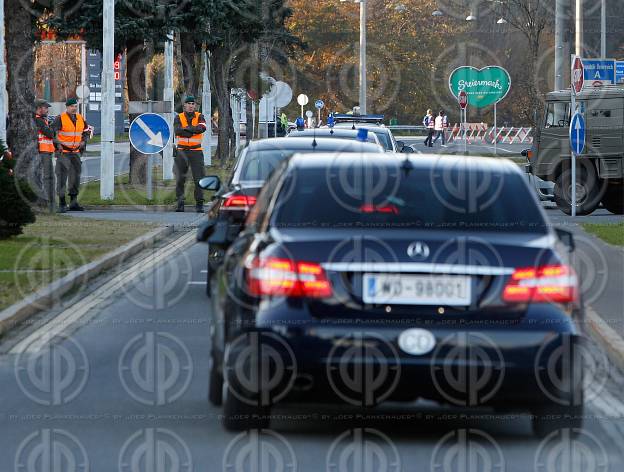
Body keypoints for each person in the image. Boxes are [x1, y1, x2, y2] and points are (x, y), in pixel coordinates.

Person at [53, 97, 90, 212]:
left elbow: (87, 131)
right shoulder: (60, 118)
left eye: (75, 106)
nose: (74, 108)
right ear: (67, 107)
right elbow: (53, 134)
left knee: (75, 178)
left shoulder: (80, 118)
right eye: (72, 106)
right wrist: (57, 146)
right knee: (62, 178)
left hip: (76, 153)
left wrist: (84, 141)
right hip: (63, 152)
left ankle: (73, 203)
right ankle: (62, 204)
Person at [174, 95, 207, 213]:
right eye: (189, 104)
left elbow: (202, 128)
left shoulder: (200, 116)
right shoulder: (179, 117)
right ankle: (180, 203)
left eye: (193, 104)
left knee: (199, 179)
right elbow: (177, 130)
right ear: (184, 106)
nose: (191, 106)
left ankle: (199, 204)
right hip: (181, 151)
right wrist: (193, 130)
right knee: (180, 178)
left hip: (196, 152)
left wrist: (187, 130)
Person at [34, 99, 56, 212]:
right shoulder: (39, 121)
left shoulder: (42, 120)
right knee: (48, 178)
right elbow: (50, 134)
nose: (47, 110)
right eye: (45, 108)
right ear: (39, 108)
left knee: (46, 178)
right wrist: (54, 126)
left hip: (46, 151)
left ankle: (47, 203)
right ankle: (49, 204)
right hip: (43, 152)